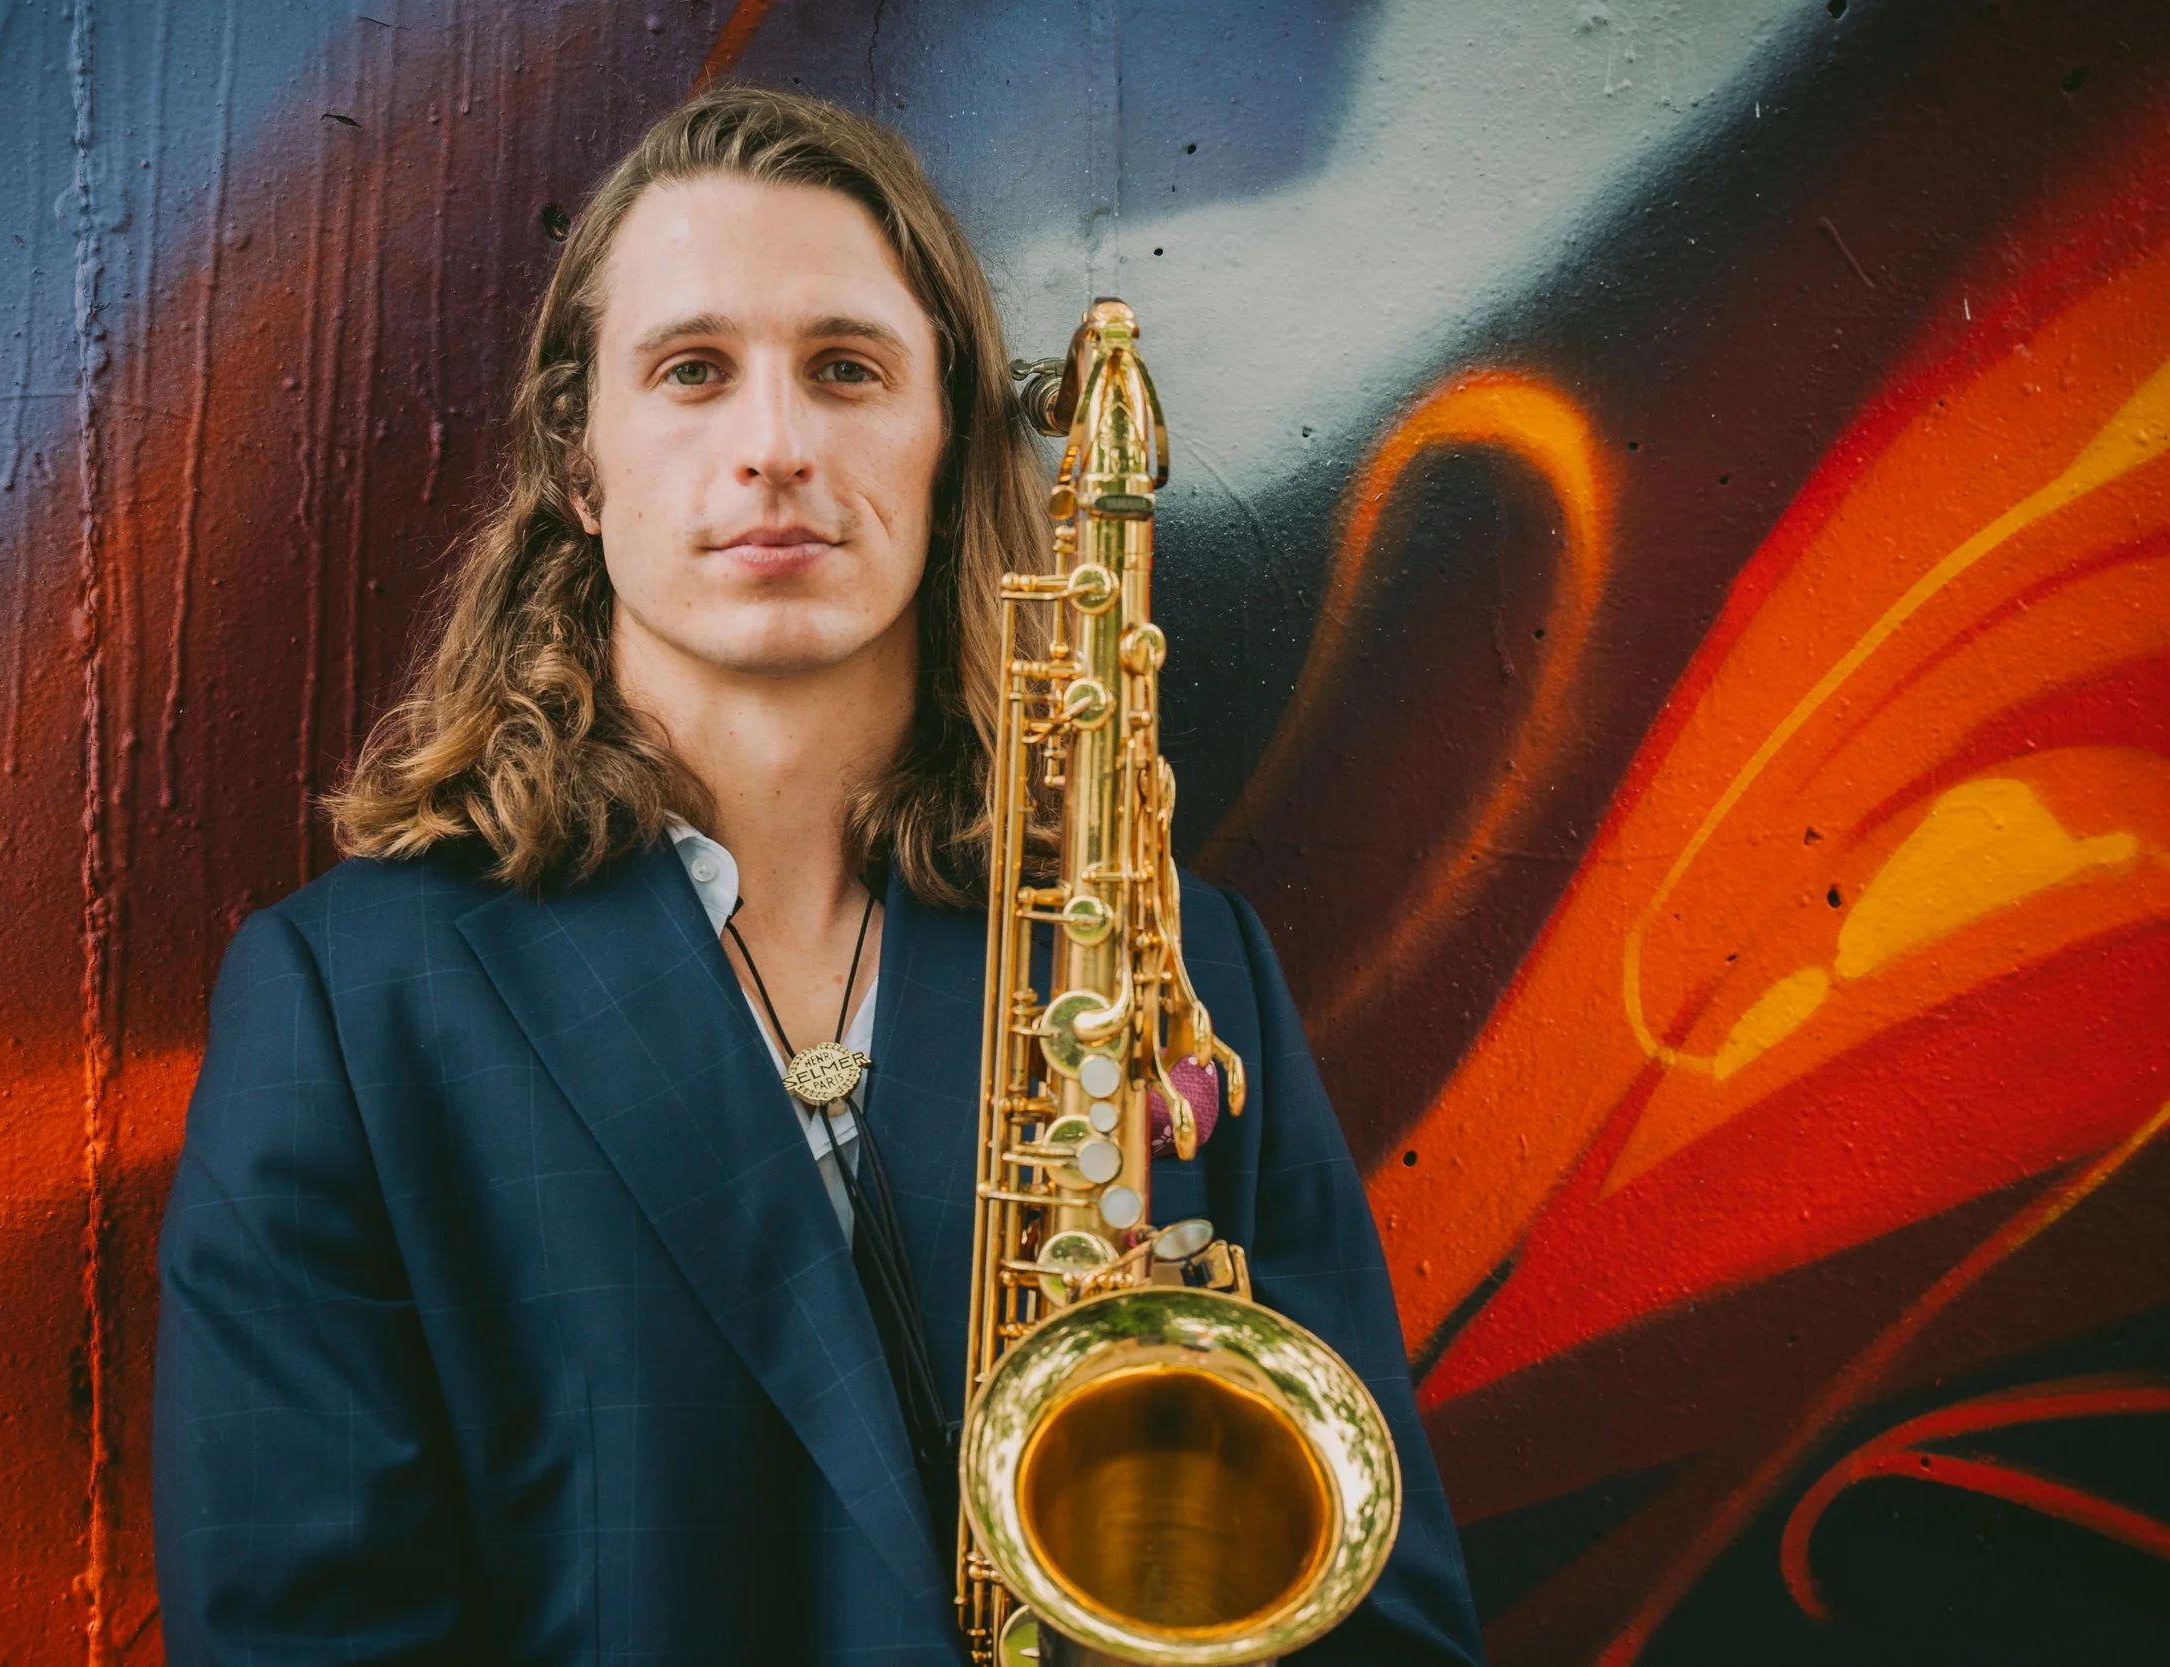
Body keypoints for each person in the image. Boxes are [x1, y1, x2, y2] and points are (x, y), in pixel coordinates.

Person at [152, 85, 1484, 1666]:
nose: (774, 447)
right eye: (693, 373)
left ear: (950, 442)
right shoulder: (354, 1006)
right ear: (581, 468)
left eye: (847, 371)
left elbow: (1374, 1610)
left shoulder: (1166, 955)